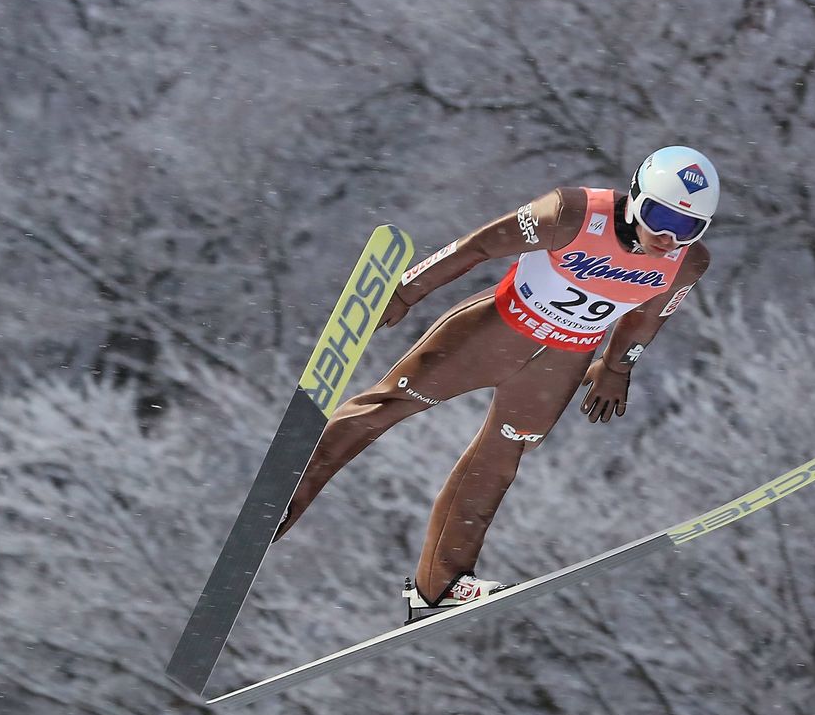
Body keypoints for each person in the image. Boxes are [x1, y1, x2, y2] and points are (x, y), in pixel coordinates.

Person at [274, 146, 719, 616]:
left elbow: (648, 318)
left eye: (689, 227)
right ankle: (285, 495)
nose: (669, 237)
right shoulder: (574, 212)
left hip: (560, 362)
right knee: (390, 405)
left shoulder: (686, 264)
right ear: (634, 197)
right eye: (658, 216)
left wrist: (616, 368)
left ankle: (439, 585)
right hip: (495, 332)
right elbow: (481, 245)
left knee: (501, 459)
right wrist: (409, 288)